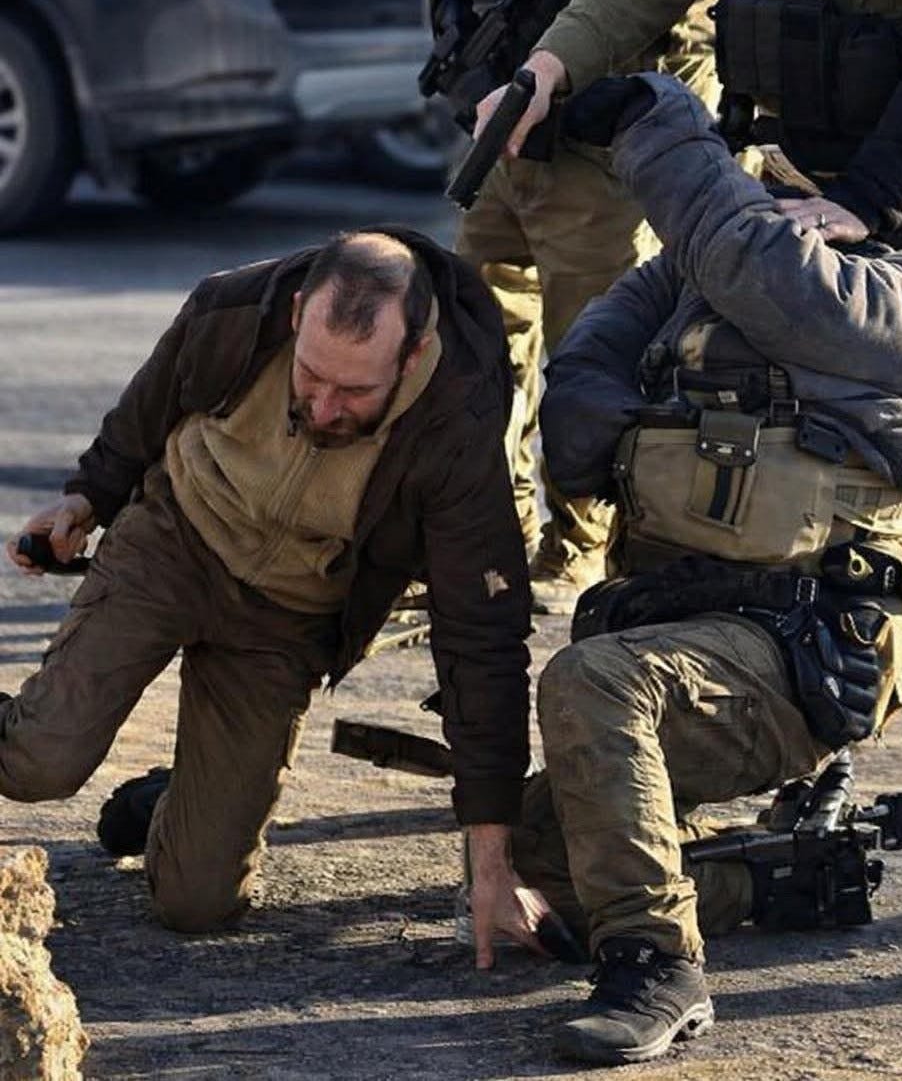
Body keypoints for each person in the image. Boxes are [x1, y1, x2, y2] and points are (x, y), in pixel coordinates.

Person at [508, 74, 902, 1064]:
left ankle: (656, 968)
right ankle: (782, 877)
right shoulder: (687, 283)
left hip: (802, 655)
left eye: (779, 184)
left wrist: (657, 120)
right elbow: (576, 415)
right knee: (546, 866)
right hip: (677, 633)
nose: (763, 195)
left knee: (593, 683)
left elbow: (763, 270)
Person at [1, 229, 543, 969]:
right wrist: (86, 497)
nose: (322, 407)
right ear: (296, 316)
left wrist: (491, 866)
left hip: (287, 616)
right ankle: (164, 778)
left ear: (414, 353)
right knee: (39, 762)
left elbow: (482, 639)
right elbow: (149, 406)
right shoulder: (232, 308)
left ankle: (178, 801)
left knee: (197, 904)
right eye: (311, 376)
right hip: (174, 542)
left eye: (355, 392)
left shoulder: (461, 421)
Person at [434, 0, 720, 613]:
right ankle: (496, 532)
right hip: (511, 135)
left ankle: (581, 546)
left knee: (594, 361)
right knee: (474, 342)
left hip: (603, 151)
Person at [474, 0, 902, 287]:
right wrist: (546, 72)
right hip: (782, 182)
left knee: (890, 411)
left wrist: (866, 200)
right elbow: (629, 2)